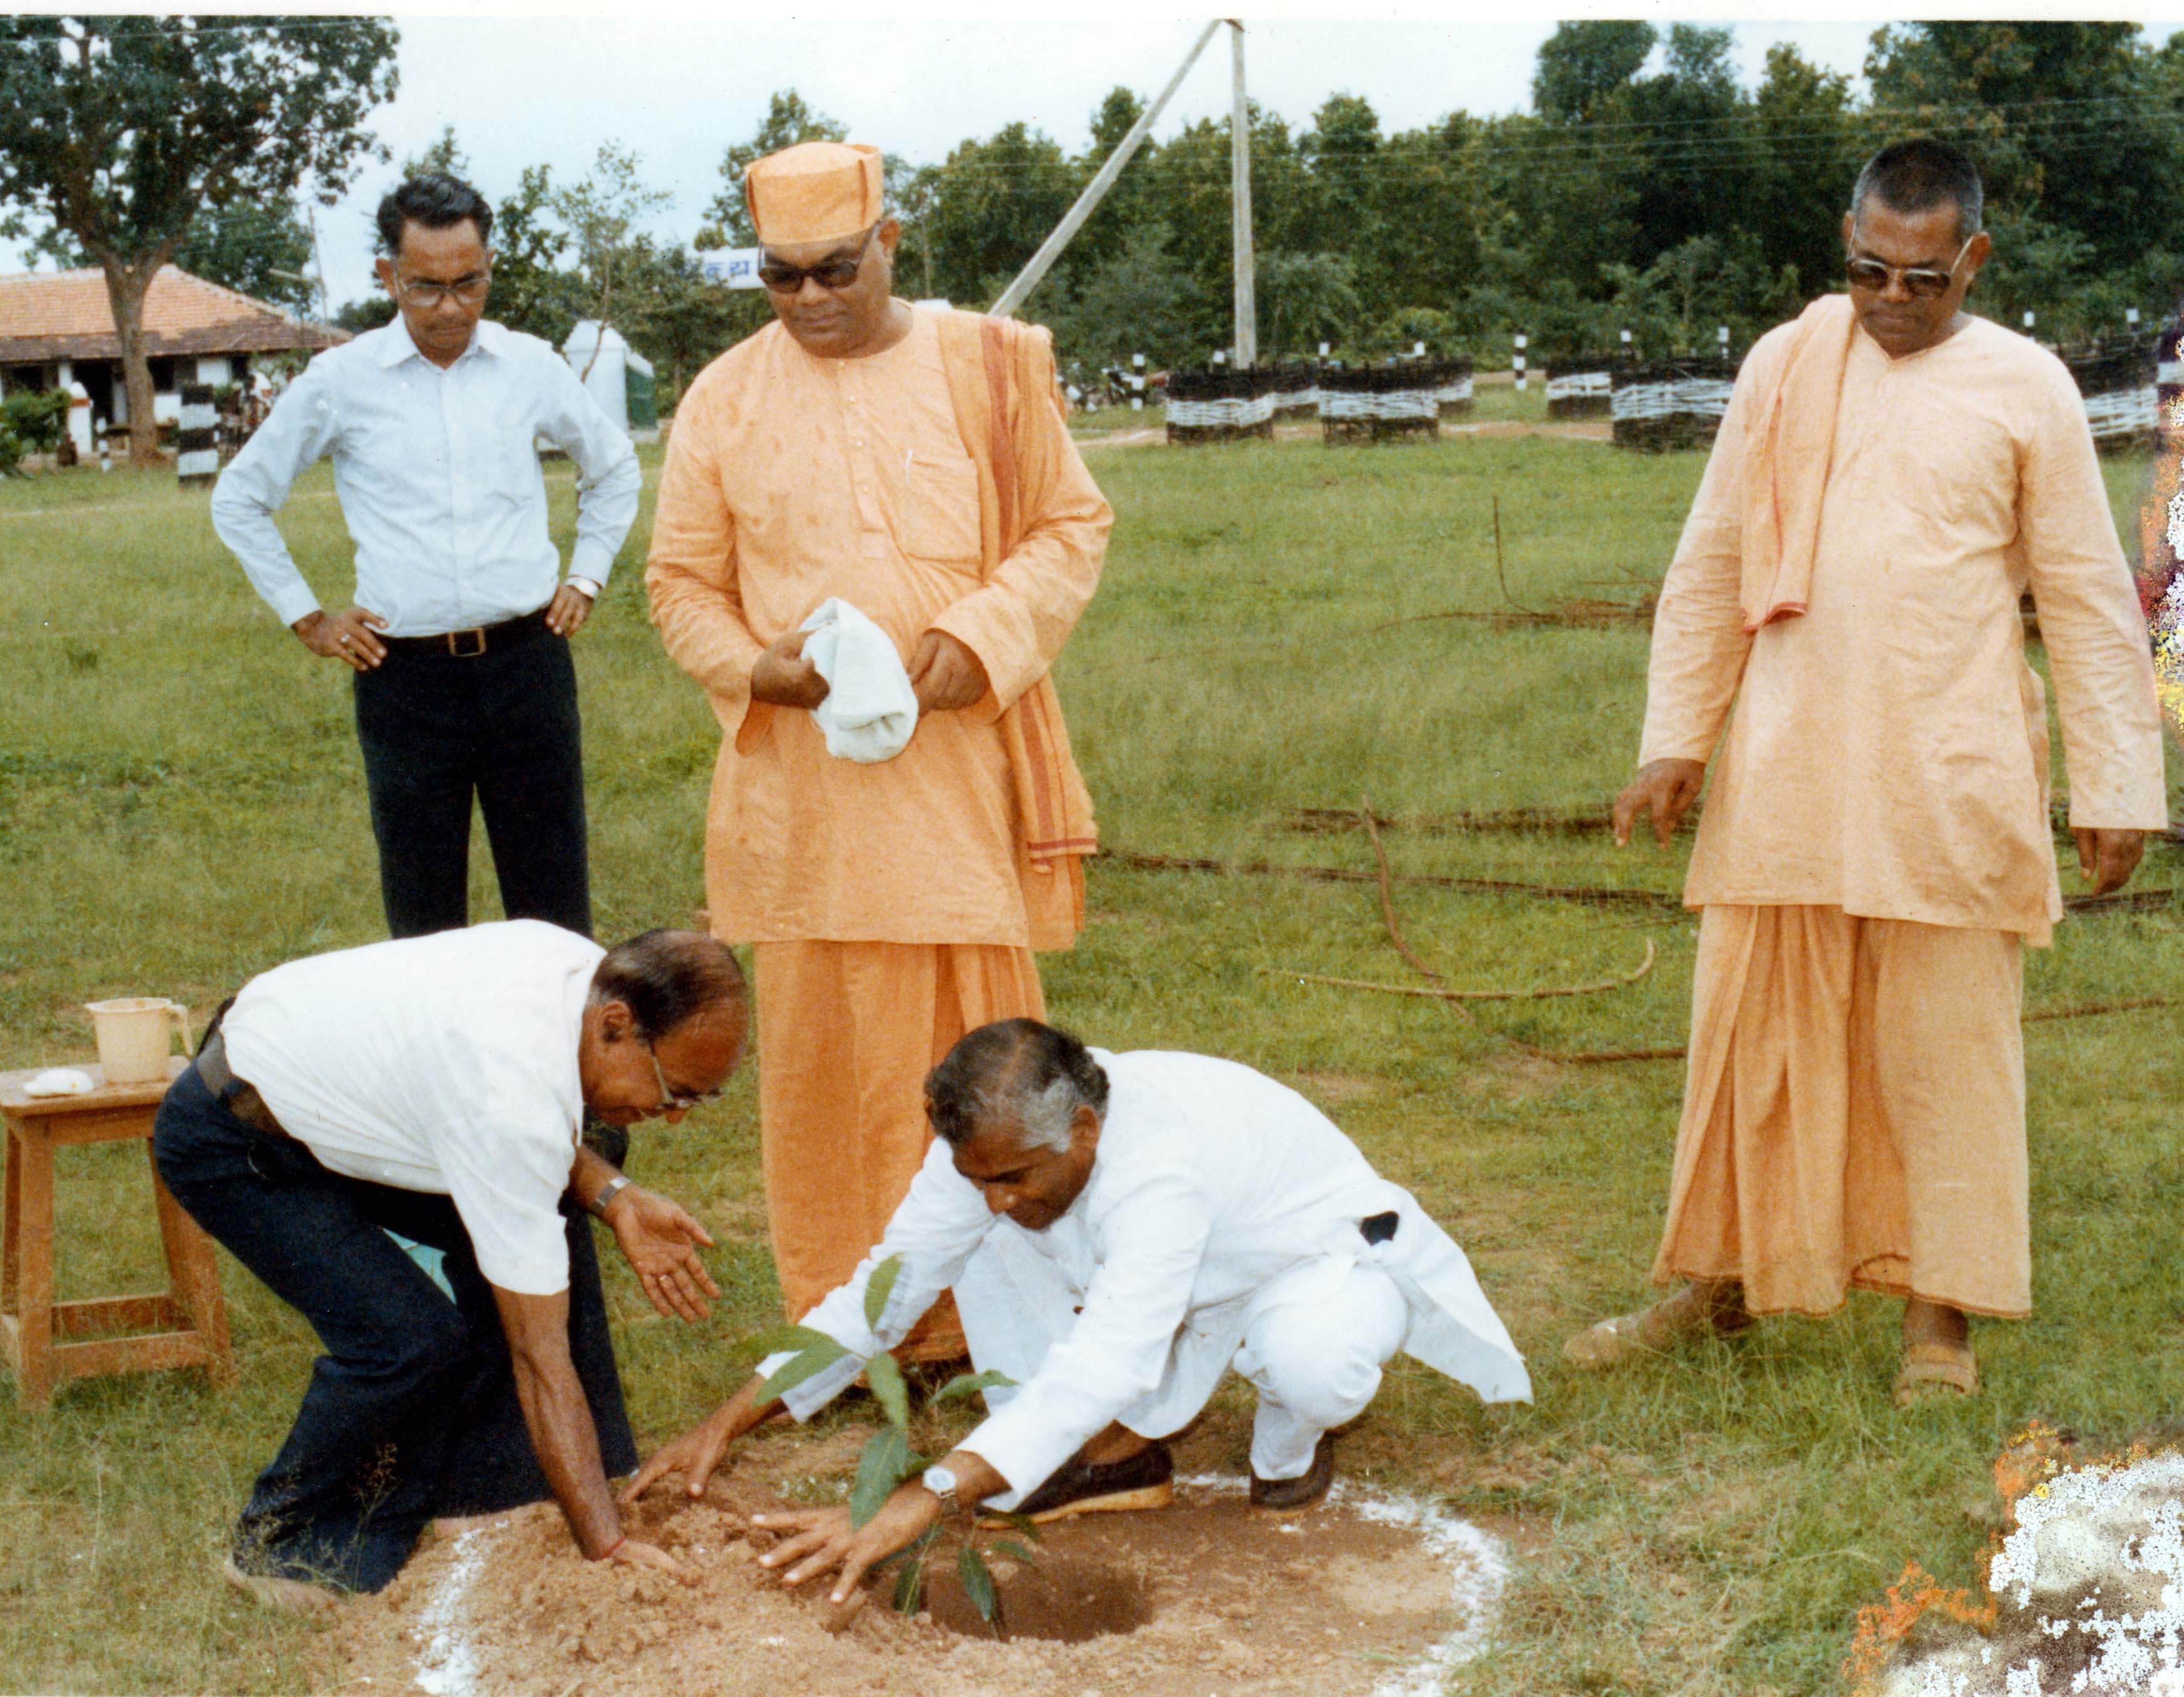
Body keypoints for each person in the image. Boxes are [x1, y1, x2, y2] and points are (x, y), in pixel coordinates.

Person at [1570, 140, 2169, 1404]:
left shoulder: (2028, 386)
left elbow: (2082, 598)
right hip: (1785, 761)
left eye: (1922, 280)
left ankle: (1938, 1322)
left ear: (1973, 260)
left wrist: (2115, 788)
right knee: (1753, 1034)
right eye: (1868, 272)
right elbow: (1715, 558)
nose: (1893, 301)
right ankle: (1722, 1280)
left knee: (1945, 1050)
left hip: (1944, 772)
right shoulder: (1783, 365)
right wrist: (1676, 739)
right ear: (1843, 244)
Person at [643, 140, 1111, 1364]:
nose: (809, 300)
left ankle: (996, 1323)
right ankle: (844, 1328)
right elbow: (680, 585)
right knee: (824, 1071)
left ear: (889, 240)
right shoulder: (724, 399)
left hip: (954, 778)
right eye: (780, 277)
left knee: (979, 1049)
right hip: (804, 795)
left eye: (834, 269)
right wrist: (759, 671)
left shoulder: (986, 368)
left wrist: (982, 636)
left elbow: (1070, 527)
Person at [624, 1020, 1531, 1603]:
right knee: (975, 1242)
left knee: (1308, 1361)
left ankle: (1291, 1444)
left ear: (1085, 1133)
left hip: (1303, 1264)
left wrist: (923, 1497)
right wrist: (727, 1420)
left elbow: (1110, 1355)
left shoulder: (1156, 1167)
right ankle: (1110, 1459)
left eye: (1015, 1175)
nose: (996, 1195)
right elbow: (889, 1285)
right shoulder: (992, 1152)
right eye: (979, 1176)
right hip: (1164, 1281)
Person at [151, 923, 747, 1609]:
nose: (673, 1116)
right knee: (406, 1341)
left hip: (344, 1094)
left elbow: (525, 1133)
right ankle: (277, 1545)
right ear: (616, 1024)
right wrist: (606, 1548)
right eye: (676, 1090)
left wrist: (614, 1199)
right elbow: (538, 1355)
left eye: (699, 1100)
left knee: (547, 1225)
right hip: (234, 1141)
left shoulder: (584, 976)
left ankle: (496, 1491)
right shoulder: (504, 1096)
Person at [212, 171, 642, 940]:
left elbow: (612, 468)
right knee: (422, 916)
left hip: (527, 668)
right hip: (403, 681)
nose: (449, 309)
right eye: (424, 288)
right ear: (387, 276)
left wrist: (587, 572)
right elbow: (240, 498)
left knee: (552, 913)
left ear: (489, 269)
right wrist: (307, 618)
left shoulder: (530, 366)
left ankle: (554, 1061)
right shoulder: (340, 382)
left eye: (467, 284)